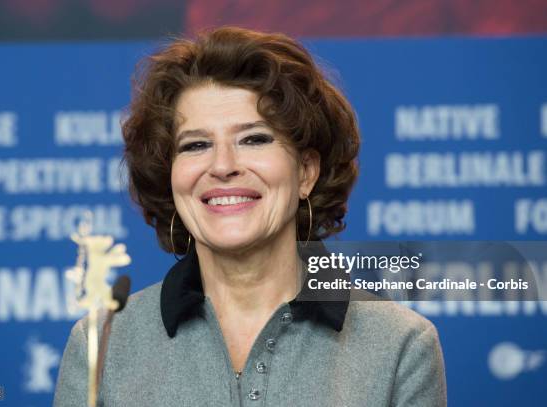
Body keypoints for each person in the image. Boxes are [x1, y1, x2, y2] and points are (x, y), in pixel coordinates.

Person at [54, 26, 446, 406]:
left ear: (306, 172)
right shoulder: (102, 344)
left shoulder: (400, 345)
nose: (223, 165)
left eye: (254, 139)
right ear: (170, 176)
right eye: (196, 145)